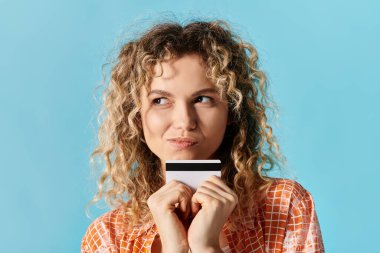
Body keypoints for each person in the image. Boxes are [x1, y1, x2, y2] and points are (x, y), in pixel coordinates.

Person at [81, 19, 325, 253]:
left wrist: (206, 247)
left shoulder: (283, 205)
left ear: (231, 110)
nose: (185, 121)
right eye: (161, 100)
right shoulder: (109, 236)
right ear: (136, 115)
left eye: (202, 99)